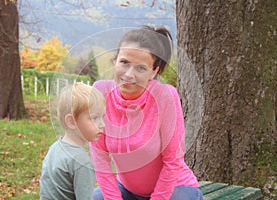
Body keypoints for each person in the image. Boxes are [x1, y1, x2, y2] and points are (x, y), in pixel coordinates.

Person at [90, 26, 203, 200]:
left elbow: (173, 160)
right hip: (127, 190)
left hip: (175, 188)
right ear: (115, 60)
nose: (128, 74)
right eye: (124, 62)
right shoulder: (100, 92)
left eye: (141, 68)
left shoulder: (164, 96)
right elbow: (100, 157)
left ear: (154, 71)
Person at [40, 82, 106, 200]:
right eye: (95, 118)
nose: (102, 124)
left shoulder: (55, 148)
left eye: (103, 117)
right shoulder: (82, 162)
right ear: (71, 122)